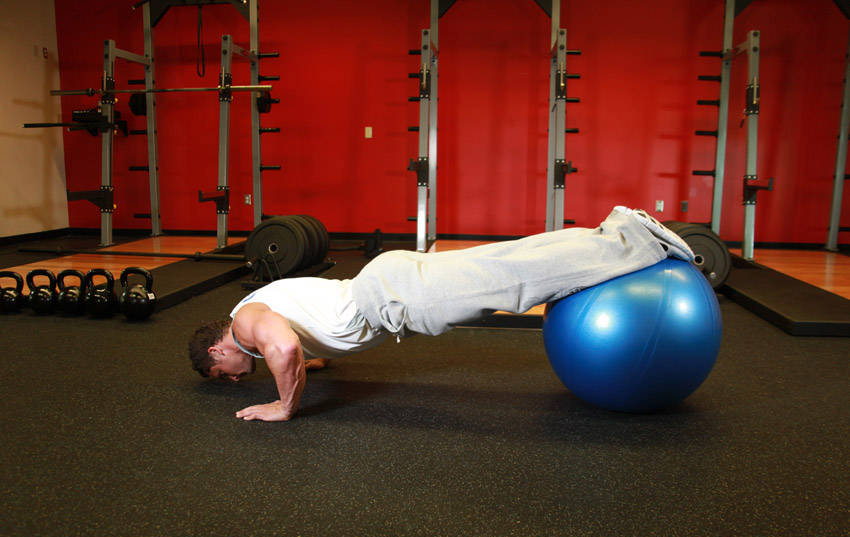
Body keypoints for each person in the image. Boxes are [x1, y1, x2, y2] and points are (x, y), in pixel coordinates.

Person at [188, 206, 694, 422]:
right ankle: (615, 232)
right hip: (385, 284)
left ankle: (636, 241)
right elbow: (300, 344)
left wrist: (284, 406)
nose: (234, 380)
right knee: (508, 262)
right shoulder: (254, 313)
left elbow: (286, 348)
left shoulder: (247, 322)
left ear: (219, 349)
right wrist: (312, 366)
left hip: (391, 297)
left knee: (514, 284)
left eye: (223, 375)